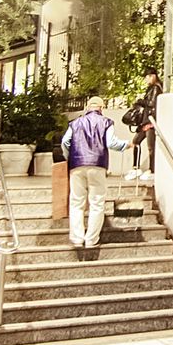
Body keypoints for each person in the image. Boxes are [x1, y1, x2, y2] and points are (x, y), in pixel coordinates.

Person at [60, 95, 129, 258]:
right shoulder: (106, 122)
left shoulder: (75, 123)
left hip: (77, 165)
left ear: (87, 107)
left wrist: (70, 157)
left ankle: (77, 238)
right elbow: (111, 143)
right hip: (98, 165)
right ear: (101, 108)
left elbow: (65, 142)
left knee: (76, 202)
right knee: (97, 203)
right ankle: (91, 239)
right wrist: (126, 145)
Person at [122, 71, 162, 180]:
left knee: (150, 147)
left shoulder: (156, 88)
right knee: (136, 142)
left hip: (150, 121)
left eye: (147, 77)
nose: (146, 80)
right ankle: (136, 168)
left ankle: (152, 170)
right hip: (145, 121)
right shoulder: (151, 89)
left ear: (152, 76)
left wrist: (140, 101)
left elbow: (152, 103)